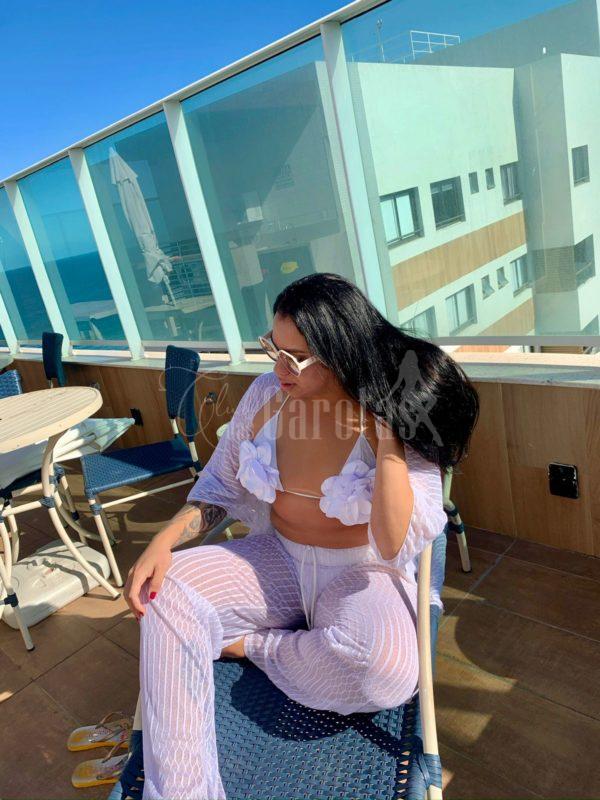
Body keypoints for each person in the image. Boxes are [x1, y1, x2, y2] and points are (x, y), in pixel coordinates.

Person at [124, 272, 479, 800]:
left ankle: (253, 645)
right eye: (273, 348)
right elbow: (220, 484)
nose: (277, 368)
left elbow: (391, 543)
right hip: (279, 561)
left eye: (296, 358)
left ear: (340, 354)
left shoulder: (400, 410)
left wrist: (386, 439)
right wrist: (167, 537)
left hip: (361, 574)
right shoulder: (267, 396)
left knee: (386, 669)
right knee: (165, 591)